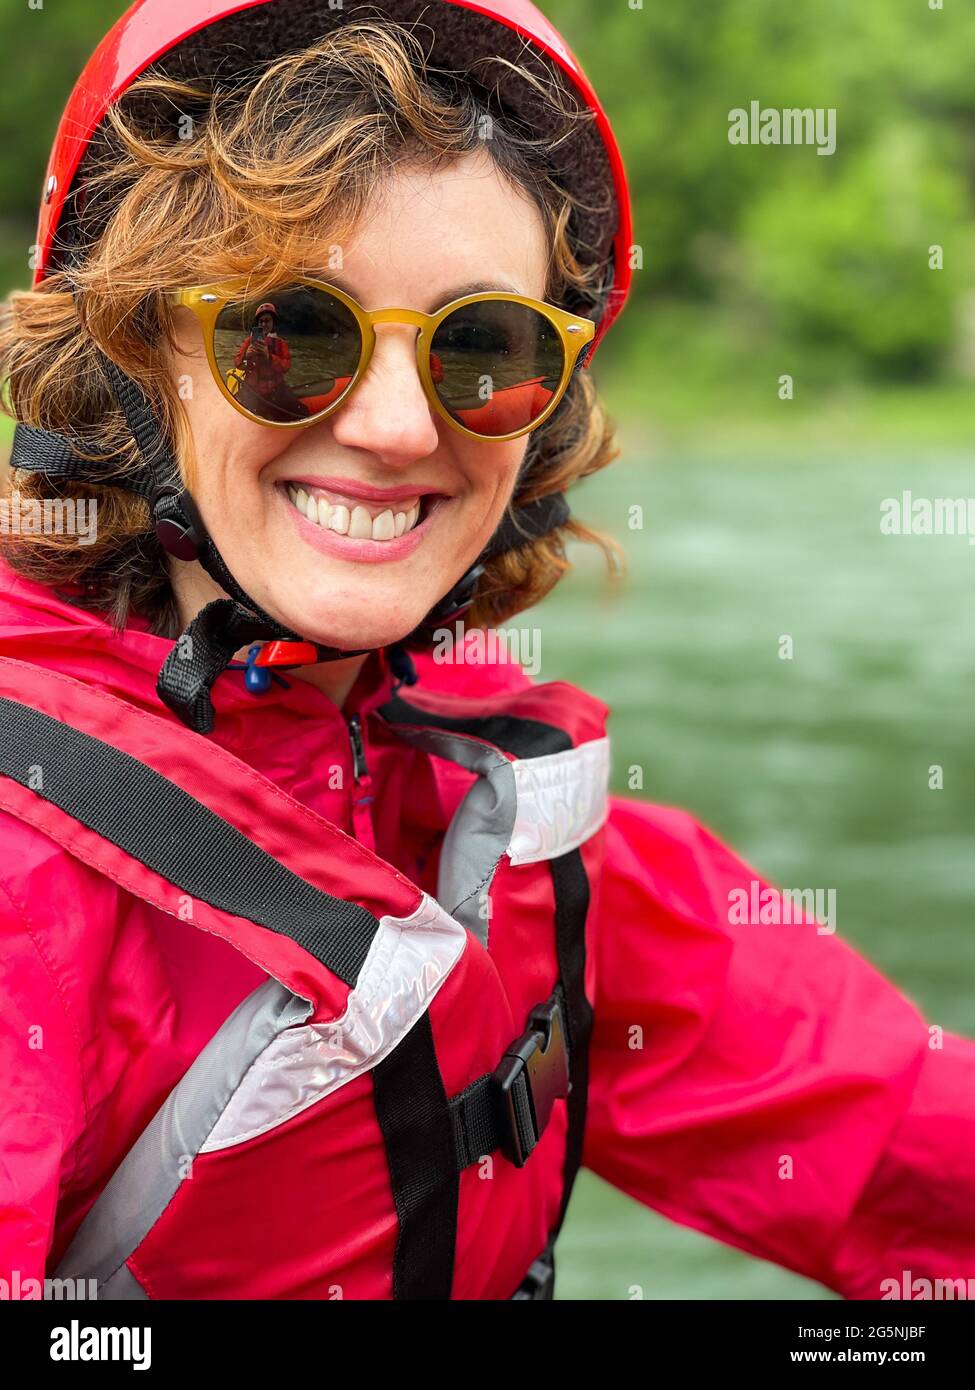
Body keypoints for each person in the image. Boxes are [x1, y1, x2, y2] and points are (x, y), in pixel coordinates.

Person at [0, 0, 972, 1303]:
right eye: (287, 335)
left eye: (480, 348)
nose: (398, 428)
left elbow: (895, 1140)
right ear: (133, 362)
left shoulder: (513, 833)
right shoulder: (24, 883)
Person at [232, 302, 310, 423]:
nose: (263, 324)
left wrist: (269, 356)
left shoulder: (280, 343)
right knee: (241, 418)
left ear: (273, 323)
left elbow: (286, 366)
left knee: (301, 412)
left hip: (276, 389)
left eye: (267, 321)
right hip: (252, 389)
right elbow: (237, 363)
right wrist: (246, 356)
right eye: (261, 321)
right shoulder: (249, 341)